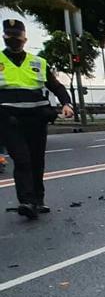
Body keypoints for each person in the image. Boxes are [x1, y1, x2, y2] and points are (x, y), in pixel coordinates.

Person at [0, 18, 75, 219]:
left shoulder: (38, 62)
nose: (14, 40)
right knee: (22, 159)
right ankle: (27, 201)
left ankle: (38, 200)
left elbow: (56, 86)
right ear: (4, 37)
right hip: (9, 120)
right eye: (9, 37)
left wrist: (67, 104)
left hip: (36, 119)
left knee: (36, 161)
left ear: (24, 38)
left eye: (17, 37)